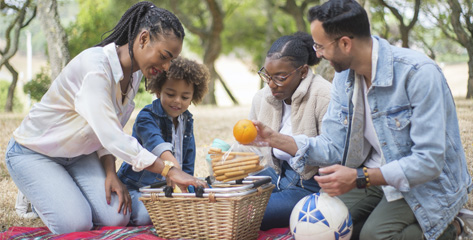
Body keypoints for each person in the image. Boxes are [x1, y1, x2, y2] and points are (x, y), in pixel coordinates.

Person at [252, 0, 473, 239]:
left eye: (320, 46)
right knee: (322, 226)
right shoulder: (344, 79)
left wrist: (360, 177)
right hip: (372, 177)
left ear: (345, 44)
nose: (317, 53)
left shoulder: (418, 74)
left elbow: (429, 161)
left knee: (375, 235)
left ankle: (457, 227)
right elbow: (333, 146)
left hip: (423, 182)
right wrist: (275, 138)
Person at [4, 1, 207, 234]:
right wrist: (169, 170)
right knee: (75, 224)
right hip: (36, 151)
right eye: (164, 56)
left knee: (117, 217)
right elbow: (113, 137)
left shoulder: (134, 75)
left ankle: (60, 188)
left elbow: (107, 130)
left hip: (79, 155)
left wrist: (110, 172)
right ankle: (36, 191)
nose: (167, 66)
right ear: (143, 39)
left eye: (171, 59)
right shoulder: (96, 68)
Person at [251, 32, 331, 230]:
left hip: (311, 186)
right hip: (276, 175)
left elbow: (333, 154)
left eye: (280, 77)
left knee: (248, 213)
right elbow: (253, 148)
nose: (271, 84)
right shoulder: (263, 97)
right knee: (224, 196)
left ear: (303, 71)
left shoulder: (324, 96)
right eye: (267, 76)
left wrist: (276, 139)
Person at [117, 57, 209, 226]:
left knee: (191, 211)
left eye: (185, 96)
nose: (177, 101)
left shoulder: (187, 120)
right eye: (170, 94)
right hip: (137, 187)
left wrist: (187, 186)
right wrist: (176, 171)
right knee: (149, 216)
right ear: (158, 91)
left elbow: (188, 158)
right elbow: (158, 146)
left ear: (192, 97)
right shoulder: (147, 117)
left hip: (164, 189)